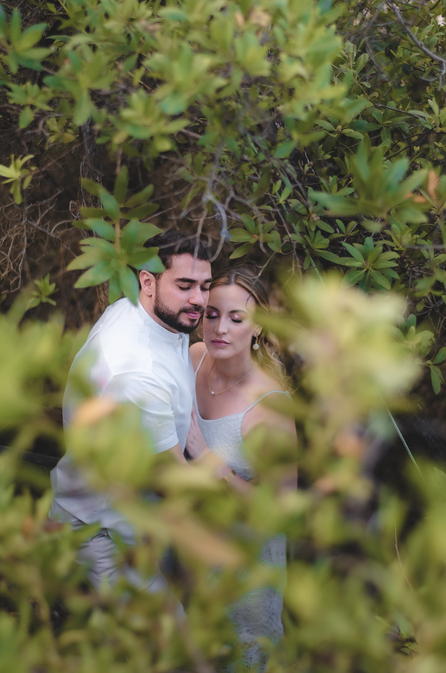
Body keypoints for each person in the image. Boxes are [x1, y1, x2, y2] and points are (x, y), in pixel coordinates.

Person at [49, 229, 212, 592]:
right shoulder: (140, 371)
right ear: (148, 282)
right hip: (102, 532)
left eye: (205, 285)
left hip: (129, 518)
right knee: (164, 644)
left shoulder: (142, 311)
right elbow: (174, 480)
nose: (198, 299)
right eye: (185, 285)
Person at [190, 267, 296, 672]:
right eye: (212, 314)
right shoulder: (194, 360)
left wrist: (213, 466)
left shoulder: (270, 406)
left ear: (257, 327)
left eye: (236, 319)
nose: (220, 328)